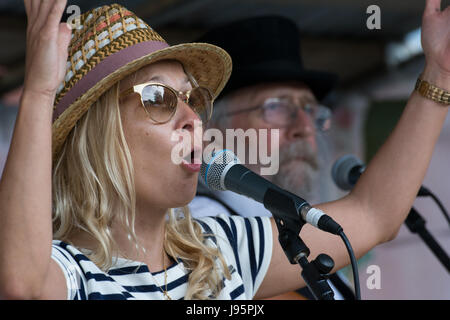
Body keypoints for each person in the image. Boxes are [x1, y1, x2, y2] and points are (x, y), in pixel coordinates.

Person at [0, 0, 449, 300]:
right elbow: (22, 285)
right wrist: (41, 91)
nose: (193, 118)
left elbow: (376, 213)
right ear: (98, 137)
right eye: (159, 99)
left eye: (193, 99)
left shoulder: (220, 251)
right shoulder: (72, 273)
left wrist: (439, 75)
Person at [188, 15, 353, 300]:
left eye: (310, 110)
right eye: (276, 107)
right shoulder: (200, 221)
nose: (303, 128)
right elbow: (378, 216)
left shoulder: (299, 231)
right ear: (212, 130)